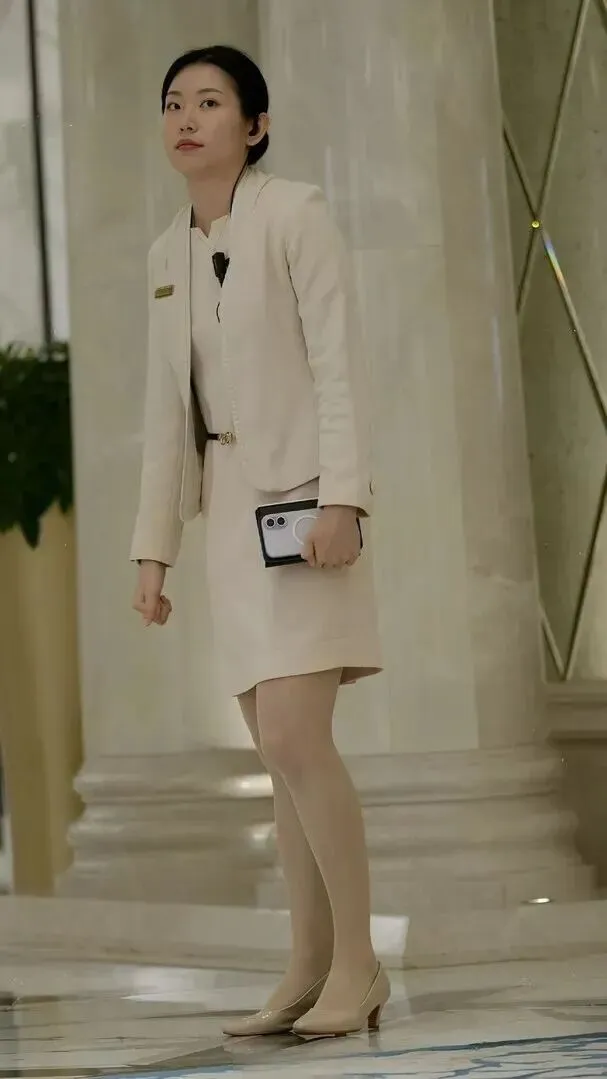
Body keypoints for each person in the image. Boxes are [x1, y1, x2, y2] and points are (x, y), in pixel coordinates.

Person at [130, 45, 389, 1039]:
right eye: (174, 104)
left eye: (209, 102)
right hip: (230, 514)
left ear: (256, 125)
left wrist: (344, 498)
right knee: (279, 756)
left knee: (293, 734)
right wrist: (153, 550)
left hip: (306, 507)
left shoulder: (295, 214)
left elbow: (339, 365)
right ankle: (308, 964)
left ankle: (359, 961)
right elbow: (167, 413)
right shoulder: (168, 254)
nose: (187, 118)